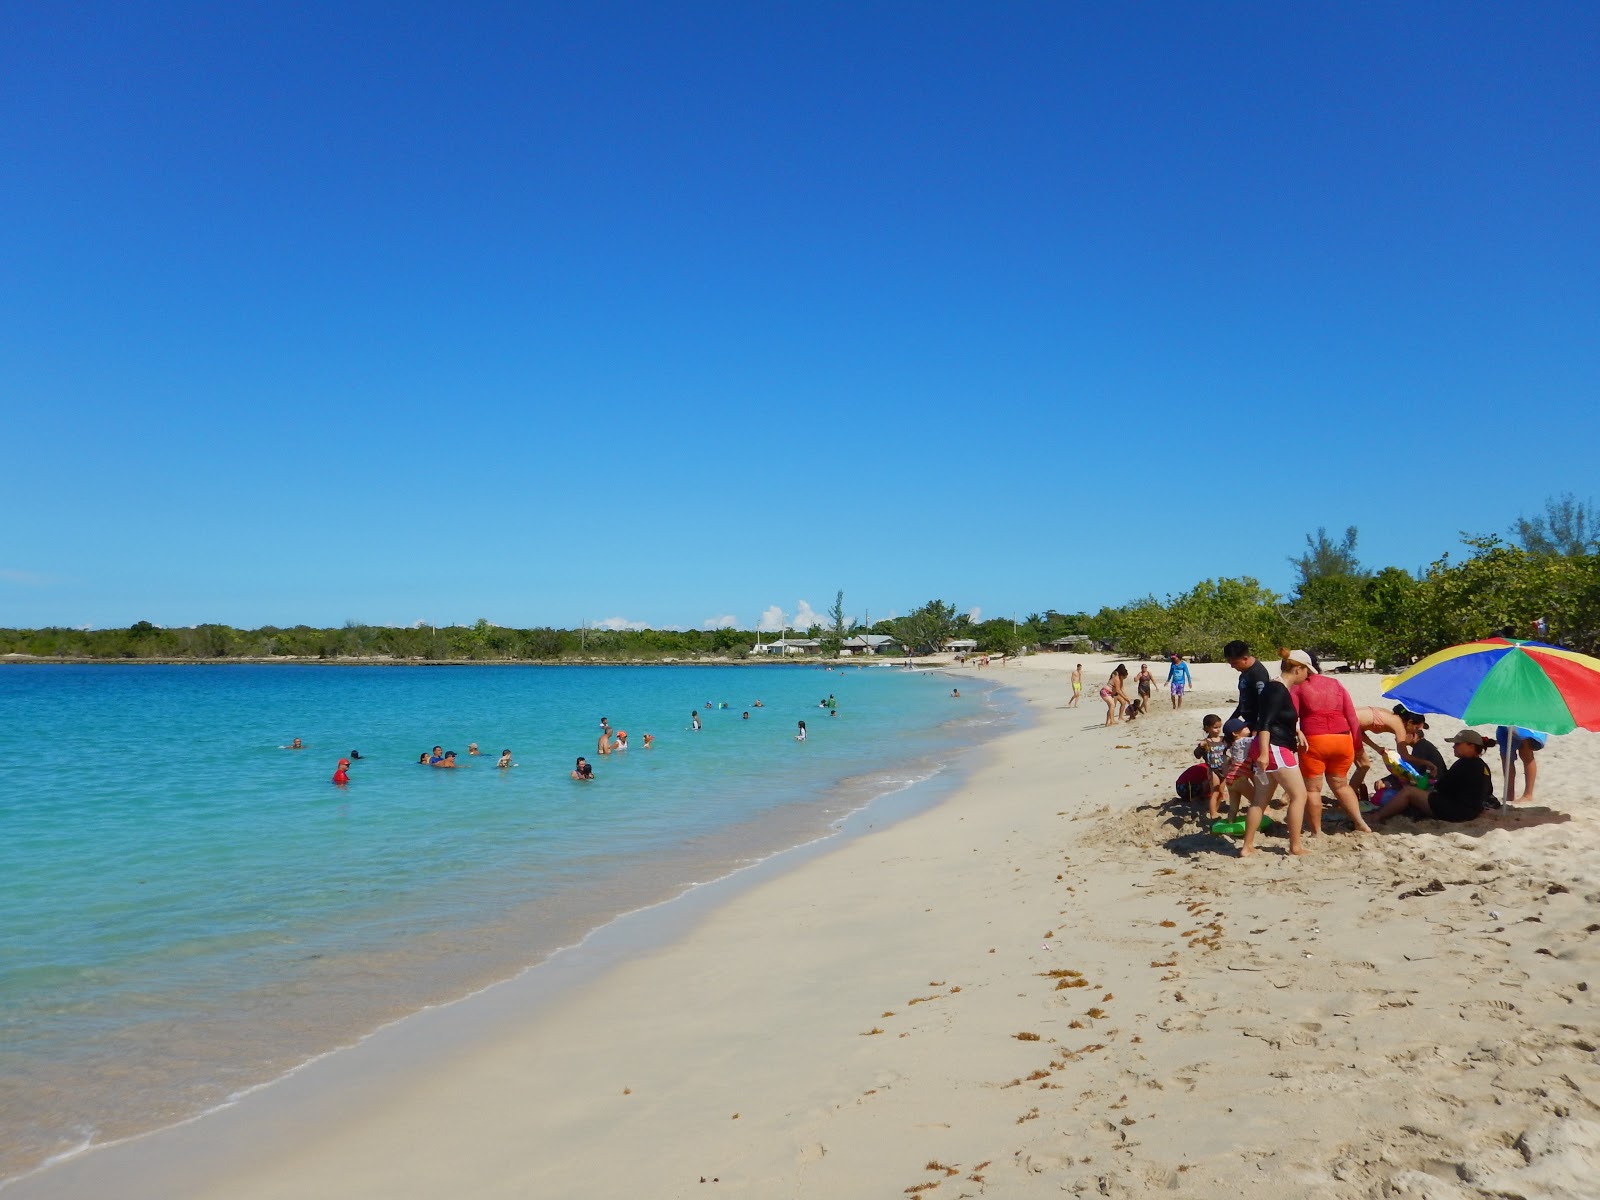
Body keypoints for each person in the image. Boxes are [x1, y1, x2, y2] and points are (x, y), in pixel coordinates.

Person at [1281, 649, 1371, 834]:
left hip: (1315, 740)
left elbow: (1291, 717)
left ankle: (1316, 831)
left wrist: (1292, 738)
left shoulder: (1298, 687)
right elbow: (1352, 717)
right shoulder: (1336, 684)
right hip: (1342, 740)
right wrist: (1358, 747)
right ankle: (1360, 823)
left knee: (1313, 790)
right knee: (1341, 785)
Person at [1239, 661, 1309, 858]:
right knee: (1299, 796)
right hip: (1273, 748)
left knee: (1260, 800)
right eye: (1307, 671)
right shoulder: (1277, 689)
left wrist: (1297, 731)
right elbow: (1265, 722)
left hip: (1269, 747)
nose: (1308, 676)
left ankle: (1247, 847)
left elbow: (1277, 717)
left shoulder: (1276, 687)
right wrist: (1262, 753)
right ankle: (1295, 846)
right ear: (1298, 669)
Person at [1373, 730, 1494, 824]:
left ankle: (1377, 816)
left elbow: (1444, 787)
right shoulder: (1483, 766)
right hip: (1472, 810)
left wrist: (1432, 784)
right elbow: (1488, 791)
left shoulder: (1464, 764)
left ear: (1471, 746)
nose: (1453, 747)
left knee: (1408, 792)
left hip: (1457, 811)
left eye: (1457, 744)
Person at [1348, 706, 1418, 798]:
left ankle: (1355, 794)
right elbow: (1404, 755)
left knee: (1361, 766)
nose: (1415, 732)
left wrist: (1377, 748)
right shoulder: (1398, 724)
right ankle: (1348, 798)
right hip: (1346, 727)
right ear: (1409, 722)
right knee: (1364, 765)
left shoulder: (1388, 714)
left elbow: (1359, 730)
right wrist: (1426, 762)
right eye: (1416, 728)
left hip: (1346, 724)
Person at [1224, 640, 1271, 731]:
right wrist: (1232, 719)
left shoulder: (1258, 674)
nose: (1232, 666)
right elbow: (1244, 700)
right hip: (1247, 721)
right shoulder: (1245, 672)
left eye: (1234, 663)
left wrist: (1257, 729)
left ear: (1245, 659)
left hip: (1256, 725)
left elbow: (1264, 704)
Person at [1496, 726, 1547, 803]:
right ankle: (1509, 794)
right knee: (1506, 755)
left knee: (1525, 751)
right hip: (1507, 720)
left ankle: (1528, 794)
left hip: (1525, 722)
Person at [1194, 714, 1228, 818]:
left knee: (1221, 793)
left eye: (1219, 727)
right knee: (1215, 792)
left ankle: (1216, 810)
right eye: (1215, 727)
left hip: (1224, 769)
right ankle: (1213, 814)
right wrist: (1200, 747)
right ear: (1207, 728)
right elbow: (1197, 755)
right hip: (1213, 770)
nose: (1218, 730)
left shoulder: (1224, 740)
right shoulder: (1206, 742)